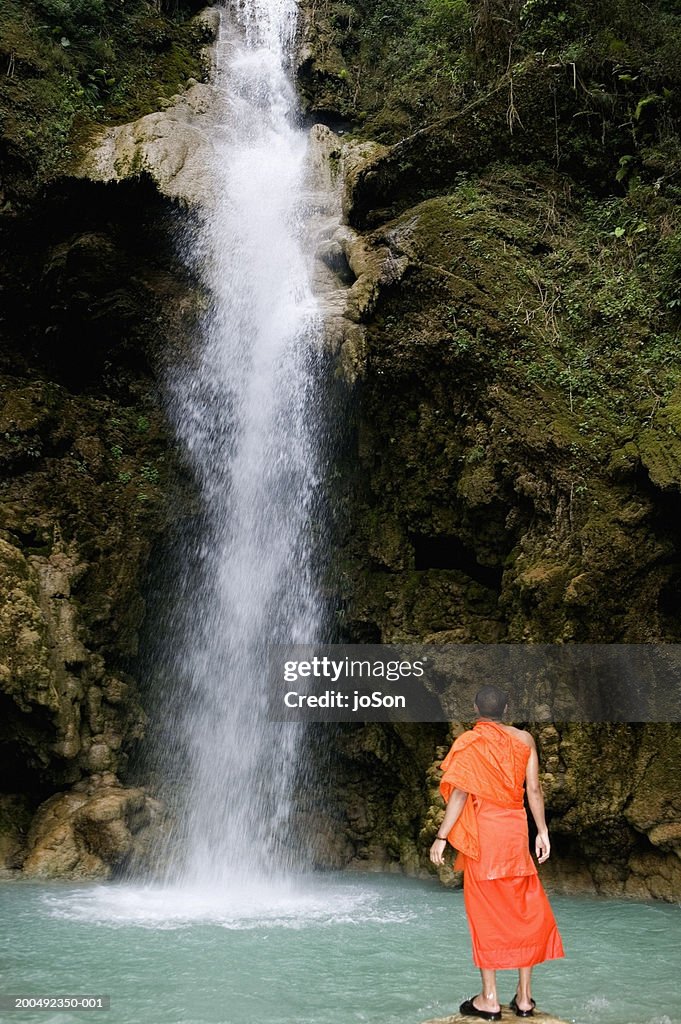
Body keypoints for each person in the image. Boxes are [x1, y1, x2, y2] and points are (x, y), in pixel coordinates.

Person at [429, 684, 564, 1021]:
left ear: (476, 709)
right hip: (515, 833)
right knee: (524, 908)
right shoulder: (525, 740)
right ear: (507, 708)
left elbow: (460, 794)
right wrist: (542, 831)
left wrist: (442, 837)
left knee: (485, 912)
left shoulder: (470, 741)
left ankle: (489, 998)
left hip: (484, 837)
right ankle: (525, 997)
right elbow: (533, 788)